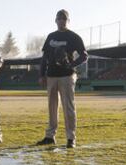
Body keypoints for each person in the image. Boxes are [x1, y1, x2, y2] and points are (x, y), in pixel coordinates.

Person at [37, 9, 88, 148]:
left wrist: (72, 64)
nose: (61, 20)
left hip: (67, 76)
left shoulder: (73, 36)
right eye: (59, 18)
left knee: (68, 108)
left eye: (64, 18)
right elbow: (45, 57)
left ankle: (71, 138)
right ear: (56, 20)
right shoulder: (51, 36)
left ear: (68, 21)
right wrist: (42, 74)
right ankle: (50, 136)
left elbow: (84, 56)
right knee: (52, 108)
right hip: (52, 76)